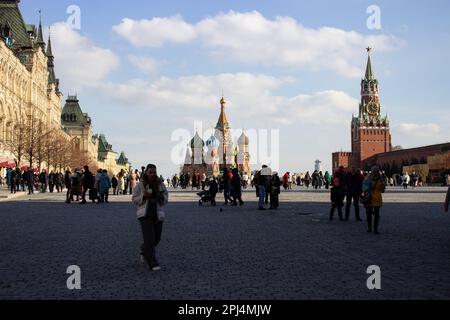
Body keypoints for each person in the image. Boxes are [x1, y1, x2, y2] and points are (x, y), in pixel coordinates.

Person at [132, 164, 168, 271]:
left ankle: (144, 250)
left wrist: (161, 196)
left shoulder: (160, 184)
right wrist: (144, 196)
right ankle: (152, 262)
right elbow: (134, 199)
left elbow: (166, 197)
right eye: (150, 172)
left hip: (157, 213)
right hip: (145, 214)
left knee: (157, 239)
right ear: (146, 173)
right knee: (150, 239)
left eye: (154, 172)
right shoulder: (140, 185)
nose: (152, 174)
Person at [366, 166, 386, 234]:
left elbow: (364, 189)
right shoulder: (381, 180)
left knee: (368, 214)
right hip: (377, 198)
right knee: (376, 214)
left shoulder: (368, 178)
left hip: (369, 198)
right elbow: (383, 190)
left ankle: (369, 228)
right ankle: (375, 229)